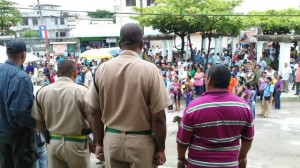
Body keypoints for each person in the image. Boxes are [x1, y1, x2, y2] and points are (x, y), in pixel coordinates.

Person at [85, 23, 170, 168]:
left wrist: (99, 142)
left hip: (112, 141)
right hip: (142, 142)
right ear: (142, 44)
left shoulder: (102, 69)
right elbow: (159, 117)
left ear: (119, 44)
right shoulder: (151, 70)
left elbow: (94, 111)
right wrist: (160, 148)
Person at [176, 65, 254, 168]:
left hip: (198, 164)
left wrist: (181, 159)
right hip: (229, 164)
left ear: (208, 80)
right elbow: (248, 138)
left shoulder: (193, 108)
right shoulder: (244, 107)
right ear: (228, 81)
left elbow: (182, 141)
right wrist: (242, 157)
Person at [32, 60, 92, 168]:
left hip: (53, 142)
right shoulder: (82, 91)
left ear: (57, 74)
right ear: (75, 74)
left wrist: (47, 138)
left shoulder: (42, 92)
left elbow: (38, 120)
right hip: (77, 142)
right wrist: (97, 140)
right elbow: (93, 117)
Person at [0, 39, 37, 167]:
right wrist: (35, 125)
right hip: (19, 137)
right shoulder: (20, 76)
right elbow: (21, 112)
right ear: (23, 55)